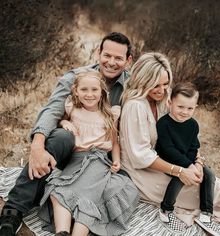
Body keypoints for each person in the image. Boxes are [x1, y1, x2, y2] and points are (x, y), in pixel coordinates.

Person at [0, 32, 133, 236]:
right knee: (62, 136)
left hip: (99, 156)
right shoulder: (76, 77)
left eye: (118, 58)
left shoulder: (132, 86)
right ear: (98, 53)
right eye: (107, 55)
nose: (111, 62)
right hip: (69, 149)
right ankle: (14, 209)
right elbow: (52, 110)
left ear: (128, 60)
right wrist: (37, 145)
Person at [120, 52, 220, 233]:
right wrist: (181, 171)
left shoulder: (163, 101)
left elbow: (186, 138)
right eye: (155, 85)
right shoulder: (135, 106)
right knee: (213, 193)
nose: (162, 89)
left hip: (171, 162)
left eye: (165, 84)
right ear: (143, 81)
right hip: (144, 173)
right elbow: (140, 156)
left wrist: (197, 163)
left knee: (212, 182)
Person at [38, 69, 139, 236]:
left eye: (94, 90)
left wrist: (116, 160)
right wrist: (64, 123)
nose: (89, 94)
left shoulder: (109, 114)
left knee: (87, 199)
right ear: (76, 91)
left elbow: (114, 141)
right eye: (84, 90)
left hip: (97, 161)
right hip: (76, 160)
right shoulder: (72, 109)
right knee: (57, 192)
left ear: (102, 92)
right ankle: (62, 232)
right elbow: (60, 119)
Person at [155, 82, 217, 234]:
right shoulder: (163, 124)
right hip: (168, 161)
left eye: (190, 108)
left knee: (209, 175)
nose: (184, 112)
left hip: (187, 161)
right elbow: (168, 149)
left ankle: (206, 213)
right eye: (180, 107)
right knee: (180, 176)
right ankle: (166, 210)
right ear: (170, 103)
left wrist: (196, 164)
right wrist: (187, 167)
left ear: (195, 107)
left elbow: (193, 147)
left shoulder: (193, 125)